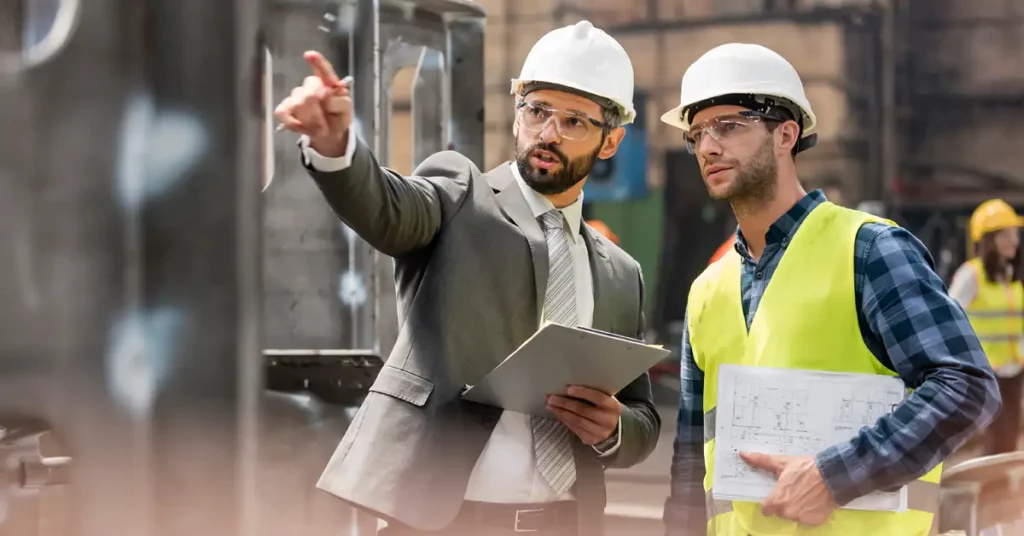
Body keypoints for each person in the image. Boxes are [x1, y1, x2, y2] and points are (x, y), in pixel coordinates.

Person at [273, 20, 660, 536]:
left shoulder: (620, 273)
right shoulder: (460, 195)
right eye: (537, 110)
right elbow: (387, 209)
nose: (548, 132)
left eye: (574, 121)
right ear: (517, 110)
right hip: (448, 522)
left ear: (610, 141)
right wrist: (337, 146)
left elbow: (643, 416)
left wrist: (614, 430)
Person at [658, 43, 1002, 536]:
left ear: (786, 134)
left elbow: (967, 387)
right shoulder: (706, 290)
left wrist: (833, 475)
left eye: (729, 126)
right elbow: (692, 462)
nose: (708, 147)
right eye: (697, 134)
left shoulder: (870, 251)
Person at [948, 199, 1024, 455]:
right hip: (987, 374)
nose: (1014, 240)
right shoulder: (971, 275)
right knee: (994, 443)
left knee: (1009, 441)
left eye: (1015, 233)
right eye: (1006, 235)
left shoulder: (1010, 279)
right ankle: (989, 492)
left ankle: (998, 492)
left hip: (1013, 373)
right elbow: (947, 318)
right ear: (989, 240)